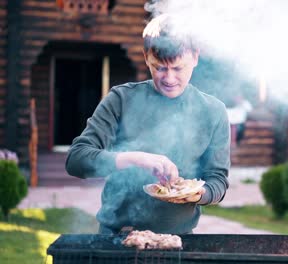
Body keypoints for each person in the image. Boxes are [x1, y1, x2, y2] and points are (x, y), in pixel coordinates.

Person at [65, 14, 230, 235]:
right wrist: (135, 158)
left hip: (178, 239)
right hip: (118, 236)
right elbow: (76, 160)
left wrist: (198, 194)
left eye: (178, 68)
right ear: (146, 57)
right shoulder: (121, 99)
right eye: (160, 68)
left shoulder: (213, 111)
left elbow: (217, 180)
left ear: (195, 58)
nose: (169, 78)